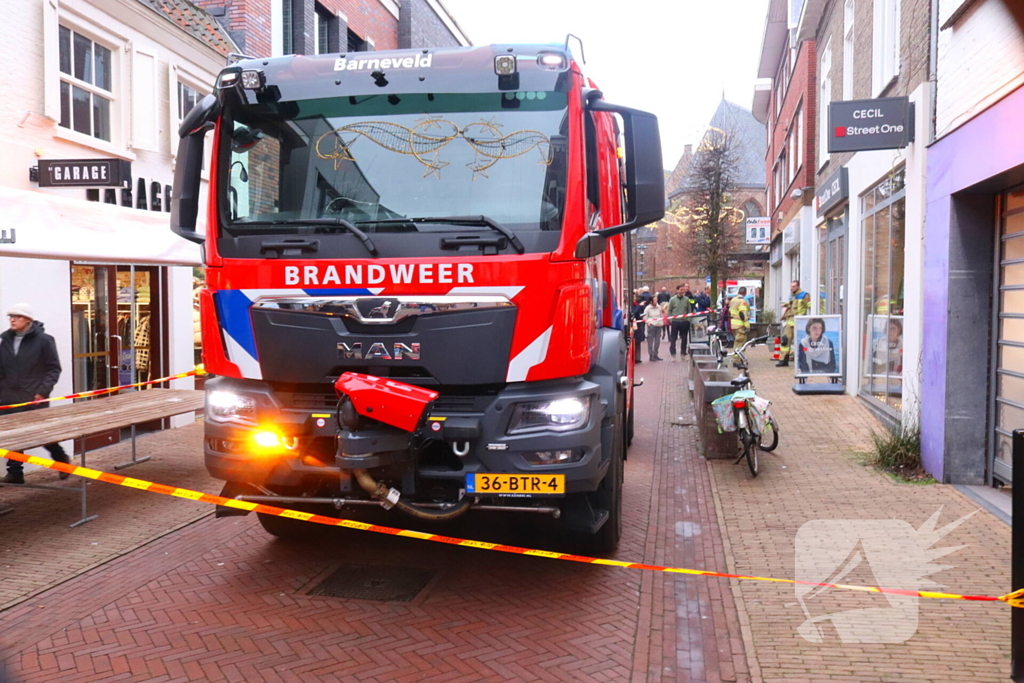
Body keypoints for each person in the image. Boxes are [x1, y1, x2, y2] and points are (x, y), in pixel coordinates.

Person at [0, 304, 70, 483]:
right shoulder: (5, 340)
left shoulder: (44, 340)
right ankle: (15, 472)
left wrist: (42, 391)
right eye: (11, 316)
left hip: (34, 397)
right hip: (8, 396)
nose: (12, 320)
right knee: (13, 435)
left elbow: (53, 369)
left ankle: (62, 460)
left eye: (17, 316)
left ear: (28, 320)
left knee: (41, 434)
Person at [777, 279, 811, 367]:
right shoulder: (792, 296)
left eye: (793, 286)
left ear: (798, 286)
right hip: (790, 321)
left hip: (800, 321)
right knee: (785, 340)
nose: (792, 288)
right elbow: (791, 304)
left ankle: (803, 361)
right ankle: (783, 360)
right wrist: (785, 305)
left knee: (802, 342)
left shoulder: (804, 295)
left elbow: (810, 305)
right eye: (791, 286)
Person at [667, 284, 693, 359]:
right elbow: (669, 310)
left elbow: (689, 310)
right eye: (681, 290)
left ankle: (683, 354)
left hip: (684, 321)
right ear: (677, 290)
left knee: (684, 338)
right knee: (673, 338)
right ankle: (673, 354)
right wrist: (671, 320)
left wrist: (688, 319)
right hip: (675, 321)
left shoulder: (687, 299)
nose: (682, 291)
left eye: (683, 290)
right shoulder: (672, 299)